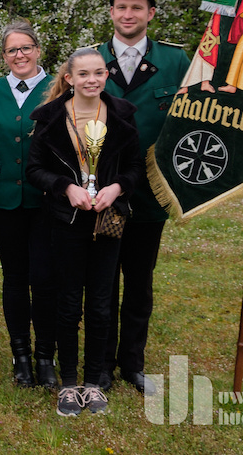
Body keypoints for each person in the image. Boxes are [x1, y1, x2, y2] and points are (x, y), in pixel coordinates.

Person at [27, 47, 142, 417]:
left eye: (98, 73)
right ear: (69, 79)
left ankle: (94, 382)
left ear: (106, 76)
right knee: (68, 302)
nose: (92, 80)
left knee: (101, 304)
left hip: (108, 222)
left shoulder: (123, 115)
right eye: (84, 74)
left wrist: (117, 187)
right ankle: (69, 383)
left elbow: (137, 166)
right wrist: (65, 187)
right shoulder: (49, 119)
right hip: (67, 221)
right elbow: (34, 169)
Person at [97, 0, 189, 395]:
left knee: (138, 282)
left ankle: (132, 364)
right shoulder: (91, 59)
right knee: (101, 282)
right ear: (111, 13)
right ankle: (99, 365)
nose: (128, 15)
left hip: (150, 194)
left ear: (151, 13)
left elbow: (192, 121)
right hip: (103, 195)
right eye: (121, 7)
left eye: (137, 7)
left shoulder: (176, 62)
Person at [0, 20, 58, 388]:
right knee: (15, 276)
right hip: (2, 198)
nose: (20, 55)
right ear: (4, 56)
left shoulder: (57, 87)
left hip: (45, 199)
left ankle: (46, 356)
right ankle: (21, 357)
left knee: (44, 278)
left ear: (38, 50)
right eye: (12, 50)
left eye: (26, 47)